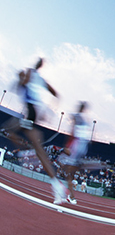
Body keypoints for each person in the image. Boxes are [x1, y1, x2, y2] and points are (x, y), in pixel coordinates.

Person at [1, 58, 69, 203]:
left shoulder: (30, 74)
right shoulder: (37, 78)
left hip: (32, 110)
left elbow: (27, 84)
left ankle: (25, 151)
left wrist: (23, 78)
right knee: (39, 150)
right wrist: (48, 108)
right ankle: (57, 186)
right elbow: (55, 94)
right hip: (32, 111)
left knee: (10, 129)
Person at [58, 102, 91, 205]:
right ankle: (70, 195)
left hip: (76, 146)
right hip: (80, 146)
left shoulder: (78, 118)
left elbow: (73, 132)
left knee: (65, 167)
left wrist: (68, 146)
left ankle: (70, 195)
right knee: (67, 171)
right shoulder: (84, 120)